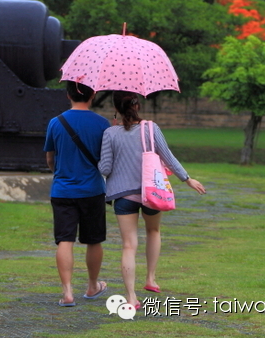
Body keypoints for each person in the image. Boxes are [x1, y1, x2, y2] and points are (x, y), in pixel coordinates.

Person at [98, 91, 206, 309]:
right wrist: (187, 179)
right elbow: (168, 157)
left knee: (129, 245)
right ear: (137, 106)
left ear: (116, 109)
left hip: (122, 195)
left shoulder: (110, 133)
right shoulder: (151, 128)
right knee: (153, 232)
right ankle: (151, 279)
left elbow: (105, 168)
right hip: (151, 192)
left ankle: (131, 297)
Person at [44, 81, 111, 307]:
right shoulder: (102, 124)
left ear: (67, 95)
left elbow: (50, 159)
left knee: (65, 240)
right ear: (93, 95)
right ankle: (92, 286)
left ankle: (68, 292)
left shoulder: (56, 122)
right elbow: (107, 160)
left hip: (62, 190)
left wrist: (60, 173)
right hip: (92, 190)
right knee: (94, 240)